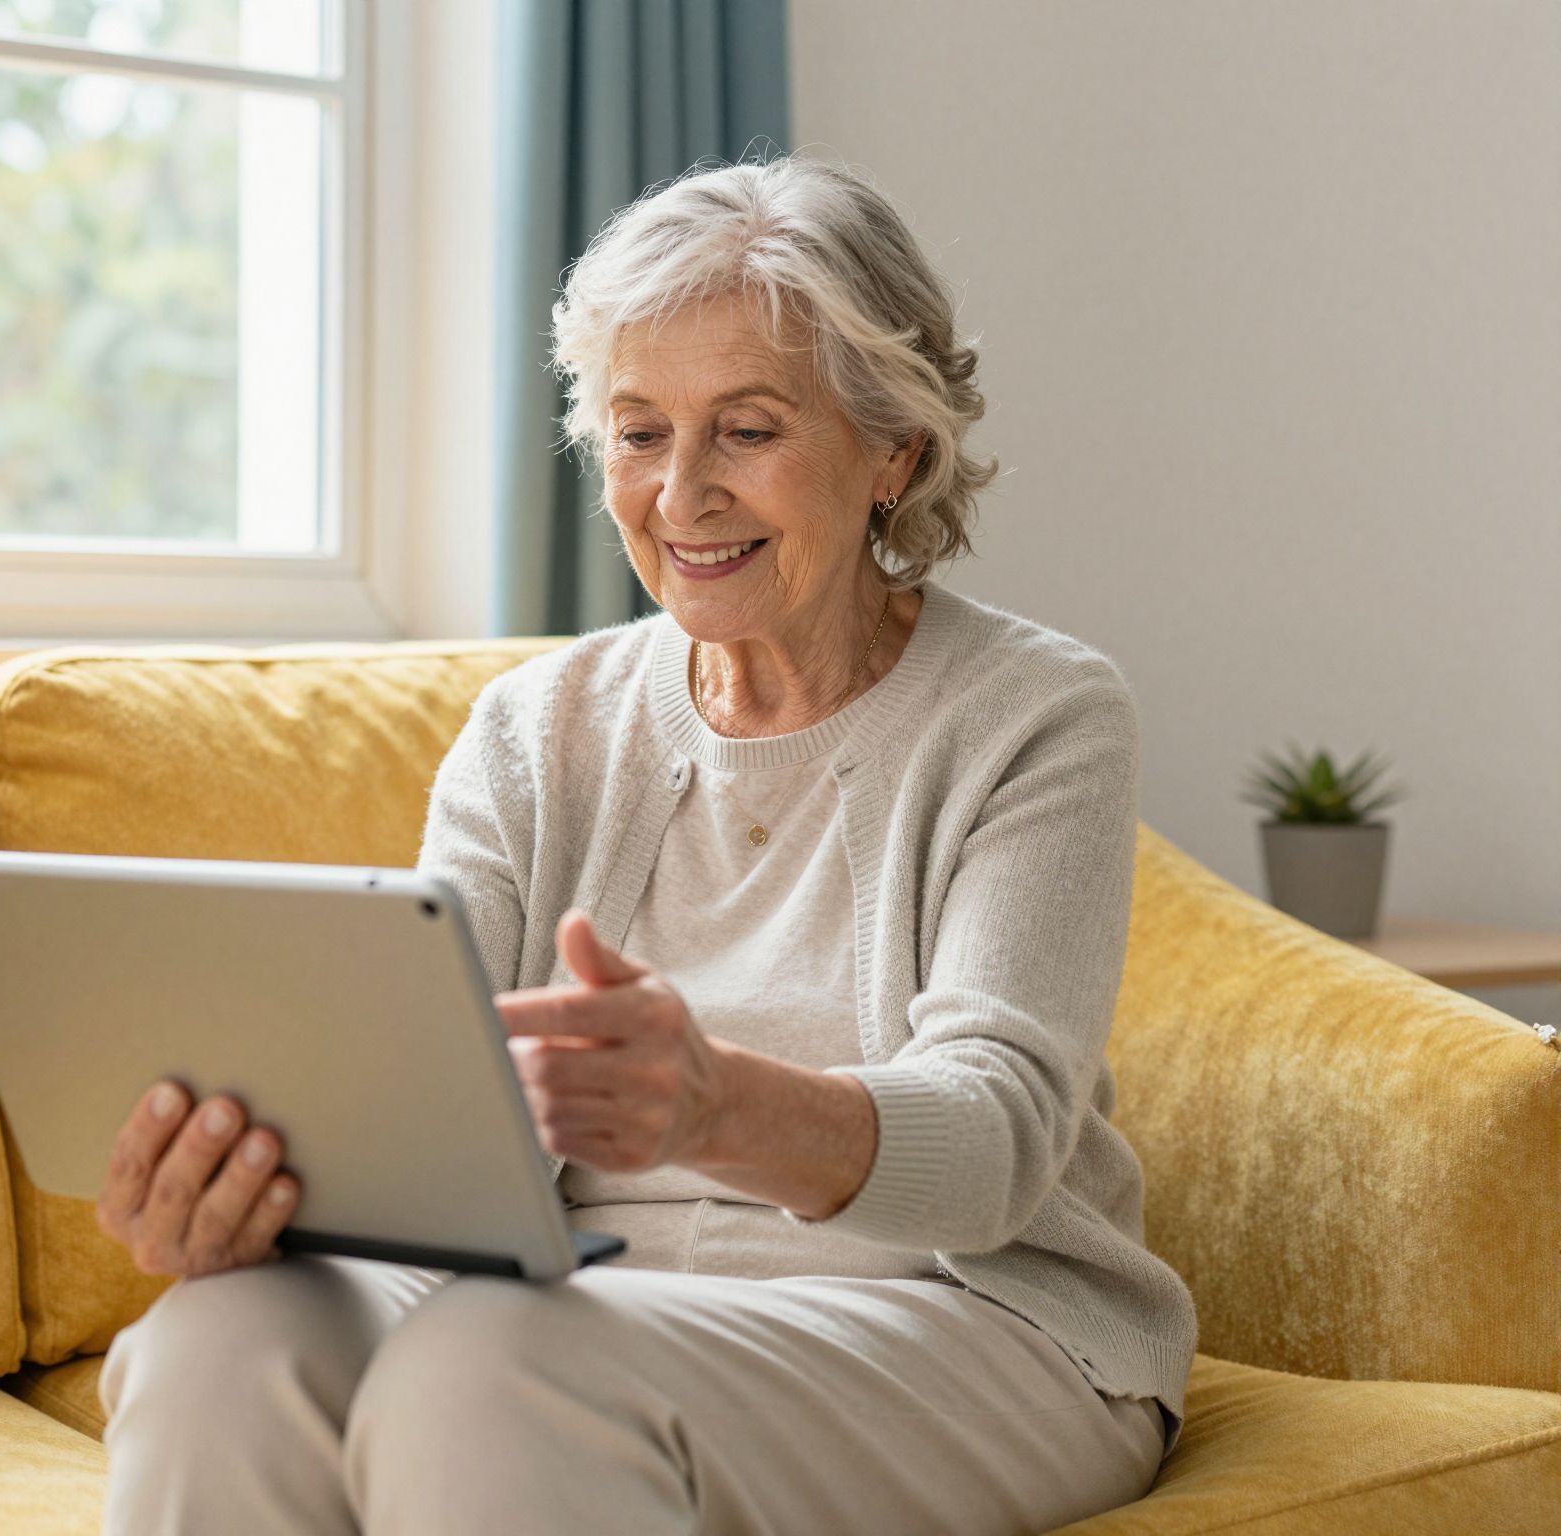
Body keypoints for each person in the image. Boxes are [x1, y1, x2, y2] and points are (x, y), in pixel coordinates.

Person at [89, 154, 1198, 1535]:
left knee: (495, 1364)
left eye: (745, 429)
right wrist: (241, 1186)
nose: (679, 495)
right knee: (218, 1341)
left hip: (968, 1318)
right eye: (636, 431)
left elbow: (994, 1145)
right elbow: (416, 1082)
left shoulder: (1035, 714)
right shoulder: (535, 728)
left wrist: (715, 1105)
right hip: (580, 1290)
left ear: (892, 449)